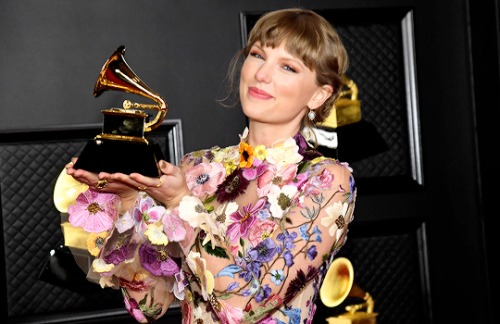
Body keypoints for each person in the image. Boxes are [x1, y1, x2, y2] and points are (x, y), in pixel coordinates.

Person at [65, 8, 356, 324]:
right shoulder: (196, 169)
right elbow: (147, 306)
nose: (262, 74)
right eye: (258, 55)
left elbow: (246, 306)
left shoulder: (327, 180)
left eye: (287, 66)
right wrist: (127, 201)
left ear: (318, 94)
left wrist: (180, 204)